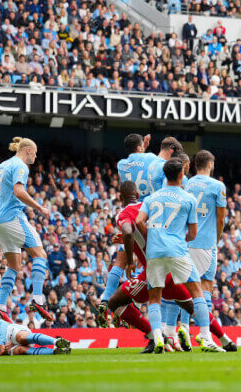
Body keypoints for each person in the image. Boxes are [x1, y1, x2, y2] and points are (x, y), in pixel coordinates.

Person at [134, 159, 224, 353]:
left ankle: (158, 338)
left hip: (154, 252)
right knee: (197, 291)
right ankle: (206, 337)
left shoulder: (151, 198)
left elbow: (139, 221)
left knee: (155, 297)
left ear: (165, 175)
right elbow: (192, 234)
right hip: (177, 250)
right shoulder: (188, 198)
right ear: (182, 174)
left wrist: (151, 237)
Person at [0, 137, 53, 323]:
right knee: (40, 254)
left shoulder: (1, 166)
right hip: (12, 218)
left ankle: (0, 306)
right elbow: (19, 192)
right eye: (36, 152)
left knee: (14, 265)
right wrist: (39, 208)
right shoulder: (21, 166)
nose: (36, 156)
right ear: (28, 150)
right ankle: (38, 298)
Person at [97, 134, 163, 322]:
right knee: (152, 262)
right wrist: (147, 149)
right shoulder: (152, 158)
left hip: (127, 213)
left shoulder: (121, 165)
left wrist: (143, 146)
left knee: (121, 260)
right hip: (145, 213)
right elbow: (161, 163)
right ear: (141, 146)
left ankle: (105, 299)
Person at [185, 150, 237, 351]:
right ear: (210, 164)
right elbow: (221, 219)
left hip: (186, 241)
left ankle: (186, 332)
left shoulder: (186, 183)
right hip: (205, 243)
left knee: (192, 288)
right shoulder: (217, 186)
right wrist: (215, 240)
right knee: (201, 288)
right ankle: (202, 334)